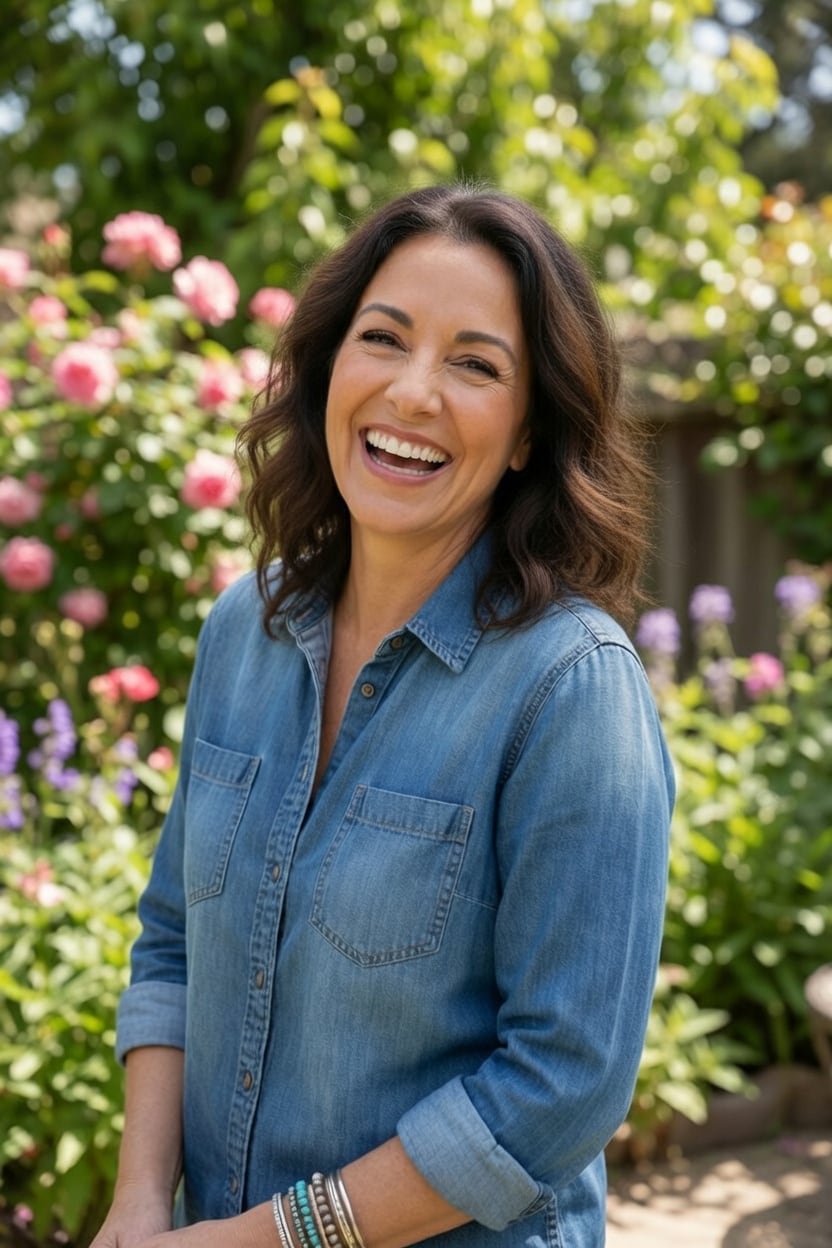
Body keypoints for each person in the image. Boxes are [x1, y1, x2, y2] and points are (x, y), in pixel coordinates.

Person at [92, 184, 674, 1248]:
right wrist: (139, 1205)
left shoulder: (571, 688)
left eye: (474, 363)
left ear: (526, 435)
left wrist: (270, 1238)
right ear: (328, 370)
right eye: (384, 339)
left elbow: (560, 1085)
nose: (412, 393)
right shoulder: (245, 628)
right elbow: (172, 941)